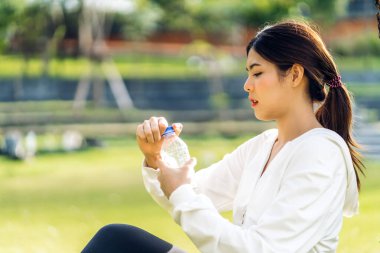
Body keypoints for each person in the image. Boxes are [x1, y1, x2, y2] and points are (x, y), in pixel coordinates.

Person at [82, 20, 365, 253]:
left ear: (294, 75)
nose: (246, 85)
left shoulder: (321, 154)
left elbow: (263, 250)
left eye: (257, 73)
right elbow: (193, 192)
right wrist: (156, 158)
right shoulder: (263, 146)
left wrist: (181, 191)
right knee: (116, 241)